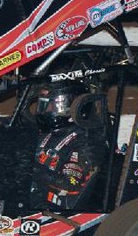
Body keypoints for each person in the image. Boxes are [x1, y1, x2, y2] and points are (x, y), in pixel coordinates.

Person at [30, 81, 108, 210]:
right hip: (35, 196)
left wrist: (33, 169)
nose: (46, 110)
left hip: (55, 209)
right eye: (44, 104)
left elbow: (70, 185)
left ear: (72, 107)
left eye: (52, 105)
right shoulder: (50, 133)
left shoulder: (85, 142)